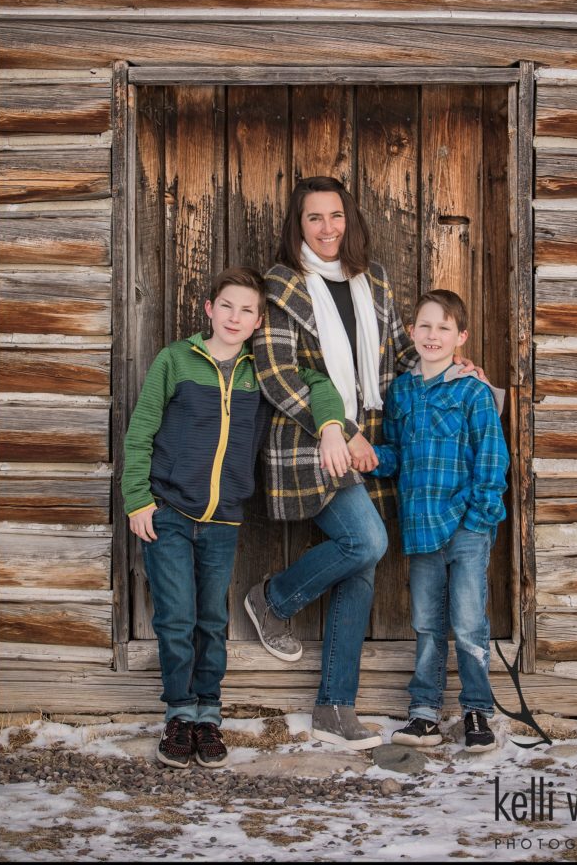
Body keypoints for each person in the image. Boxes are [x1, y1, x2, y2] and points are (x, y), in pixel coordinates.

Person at [246, 177, 482, 750]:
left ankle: (334, 706)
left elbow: (398, 352)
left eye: (335, 216)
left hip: (368, 442)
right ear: (296, 226)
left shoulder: (370, 278)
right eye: (313, 219)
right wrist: (335, 427)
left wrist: (452, 366)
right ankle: (271, 599)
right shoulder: (281, 284)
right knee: (366, 542)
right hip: (310, 440)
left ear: (347, 220)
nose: (327, 229)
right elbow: (277, 373)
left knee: (361, 569)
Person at [121, 266, 344, 770]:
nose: (234, 317)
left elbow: (317, 383)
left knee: (211, 619)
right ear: (209, 309)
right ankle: (179, 716)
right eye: (227, 306)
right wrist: (138, 499)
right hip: (168, 513)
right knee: (176, 618)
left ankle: (209, 718)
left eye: (246, 310)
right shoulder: (176, 359)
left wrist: (332, 427)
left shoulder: (259, 372)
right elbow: (140, 433)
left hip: (223, 519)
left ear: (258, 320)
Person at [365, 289, 509, 752]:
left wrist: (480, 517)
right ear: (411, 332)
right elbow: (397, 454)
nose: (432, 335)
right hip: (422, 525)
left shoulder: (473, 391)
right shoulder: (402, 391)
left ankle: (476, 711)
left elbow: (492, 457)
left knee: (468, 623)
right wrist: (367, 457)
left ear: (460, 337)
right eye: (424, 326)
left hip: (467, 525)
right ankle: (424, 713)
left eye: (444, 328)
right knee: (427, 623)